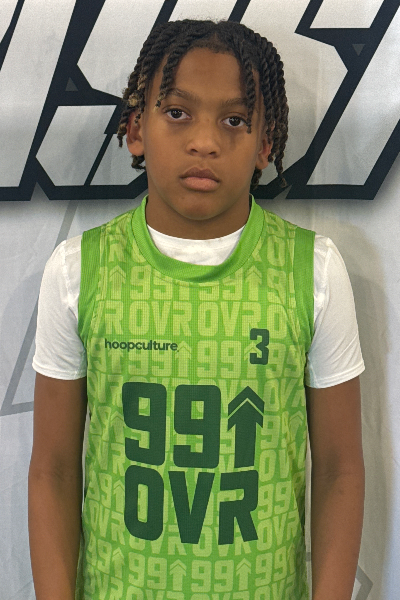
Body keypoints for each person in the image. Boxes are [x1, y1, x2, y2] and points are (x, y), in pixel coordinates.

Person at [29, 19, 365, 600]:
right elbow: (52, 470)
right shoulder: (77, 270)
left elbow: (340, 468)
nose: (205, 141)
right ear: (137, 129)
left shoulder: (314, 270)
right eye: (178, 112)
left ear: (265, 145)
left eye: (234, 120)